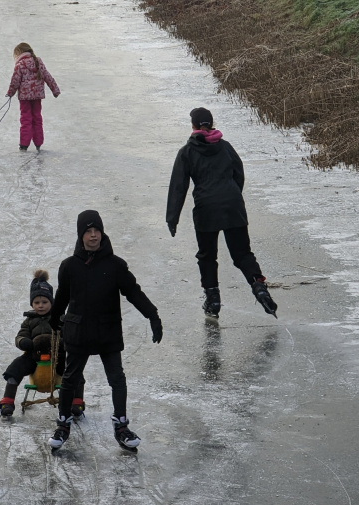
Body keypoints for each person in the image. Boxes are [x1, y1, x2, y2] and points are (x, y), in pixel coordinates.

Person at [48, 210, 163, 453]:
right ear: (81, 236)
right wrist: (54, 318)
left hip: (107, 331)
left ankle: (121, 426)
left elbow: (134, 292)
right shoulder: (69, 266)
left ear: (102, 232)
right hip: (78, 331)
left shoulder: (115, 265)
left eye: (96, 231)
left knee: (117, 379)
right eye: (88, 232)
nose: (93, 236)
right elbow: (62, 296)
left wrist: (152, 315)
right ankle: (63, 424)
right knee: (70, 380)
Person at [166, 106, 277, 319]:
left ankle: (213, 300)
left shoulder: (187, 152)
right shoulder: (225, 147)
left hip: (206, 209)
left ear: (193, 125)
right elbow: (239, 173)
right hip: (233, 206)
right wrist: (232, 196)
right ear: (212, 123)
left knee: (207, 256)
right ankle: (260, 288)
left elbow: (178, 187)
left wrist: (172, 218)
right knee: (242, 254)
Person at [0, 269, 85, 419]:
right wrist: (24, 342)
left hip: (57, 356)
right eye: (36, 302)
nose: (40, 305)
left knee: (74, 369)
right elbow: (20, 336)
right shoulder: (29, 321)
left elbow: (70, 335)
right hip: (34, 357)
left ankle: (77, 402)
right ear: (32, 303)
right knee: (15, 367)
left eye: (44, 302)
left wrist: (62, 343)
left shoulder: (60, 318)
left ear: (51, 302)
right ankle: (7, 401)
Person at [5, 42, 60, 151]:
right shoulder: (38, 62)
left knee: (26, 119)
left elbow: (15, 81)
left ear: (19, 53)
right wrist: (55, 90)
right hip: (37, 96)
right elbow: (48, 76)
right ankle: (38, 143)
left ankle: (24, 144)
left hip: (25, 98)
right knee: (37, 118)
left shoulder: (20, 65)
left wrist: (10, 92)